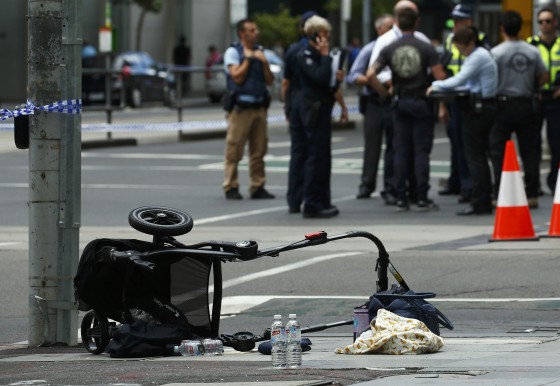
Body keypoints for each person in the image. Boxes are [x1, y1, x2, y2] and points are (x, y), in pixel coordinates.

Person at [368, 6, 446, 212]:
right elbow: (440, 77)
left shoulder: (390, 48)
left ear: (397, 23)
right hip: (421, 101)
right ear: (417, 22)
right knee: (421, 151)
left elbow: (370, 74)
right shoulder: (425, 46)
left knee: (400, 150)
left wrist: (385, 94)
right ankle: (421, 196)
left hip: (399, 102)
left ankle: (400, 196)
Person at [429, 25, 498, 215]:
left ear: (468, 43)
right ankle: (482, 199)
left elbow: (459, 80)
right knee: (479, 157)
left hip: (479, 110)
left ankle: (480, 201)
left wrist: (435, 85)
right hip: (484, 107)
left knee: (475, 157)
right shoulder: (480, 54)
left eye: (459, 46)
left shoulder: (477, 57)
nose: (458, 51)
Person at [490, 11, 548, 209]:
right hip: (526, 103)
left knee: (498, 151)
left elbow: (491, 80)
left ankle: (499, 193)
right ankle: (531, 193)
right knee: (530, 151)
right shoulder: (532, 51)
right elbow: (544, 77)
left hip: (503, 104)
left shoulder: (496, 53)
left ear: (502, 29)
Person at [293, 15, 348, 218]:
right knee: (315, 158)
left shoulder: (320, 55)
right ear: (314, 35)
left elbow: (329, 83)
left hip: (324, 107)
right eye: (323, 35)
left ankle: (324, 200)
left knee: (324, 158)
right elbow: (319, 77)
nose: (327, 39)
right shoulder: (304, 54)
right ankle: (312, 203)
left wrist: (337, 77)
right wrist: (325, 57)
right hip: (312, 110)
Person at [439, 4, 491, 203]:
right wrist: (443, 105)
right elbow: (444, 70)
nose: (456, 24)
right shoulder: (450, 41)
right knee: (455, 141)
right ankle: (457, 182)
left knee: (468, 147)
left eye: (460, 21)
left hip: (470, 99)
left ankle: (469, 187)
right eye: (454, 20)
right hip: (453, 99)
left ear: (469, 22)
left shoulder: (480, 41)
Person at [222, 18, 275, 200]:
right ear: (242, 33)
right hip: (240, 108)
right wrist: (248, 59)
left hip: (259, 106)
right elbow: (236, 76)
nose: (256, 32)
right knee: (234, 148)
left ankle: (257, 185)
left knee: (259, 149)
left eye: (256, 29)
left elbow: (270, 80)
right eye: (252, 30)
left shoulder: (260, 52)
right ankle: (231, 185)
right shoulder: (233, 52)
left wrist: (264, 62)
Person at [346, 14, 396, 203]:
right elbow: (353, 75)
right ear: (379, 29)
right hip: (374, 101)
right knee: (372, 146)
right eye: (389, 27)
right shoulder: (370, 49)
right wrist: (370, 80)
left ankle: (391, 187)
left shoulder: (397, 47)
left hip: (392, 102)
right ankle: (366, 185)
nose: (393, 31)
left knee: (393, 146)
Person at [284, 10, 317, 213]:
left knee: (297, 153)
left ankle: (293, 200)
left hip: (295, 103)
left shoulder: (292, 50)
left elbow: (286, 82)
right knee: (313, 153)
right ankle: (311, 197)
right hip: (311, 104)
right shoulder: (315, 50)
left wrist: (287, 107)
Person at [528, 7, 560, 196]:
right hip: (537, 98)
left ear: (555, 22)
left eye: (548, 21)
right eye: (541, 21)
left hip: (556, 100)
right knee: (532, 144)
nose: (544, 25)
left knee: (557, 143)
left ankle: (555, 181)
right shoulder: (531, 44)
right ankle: (534, 184)